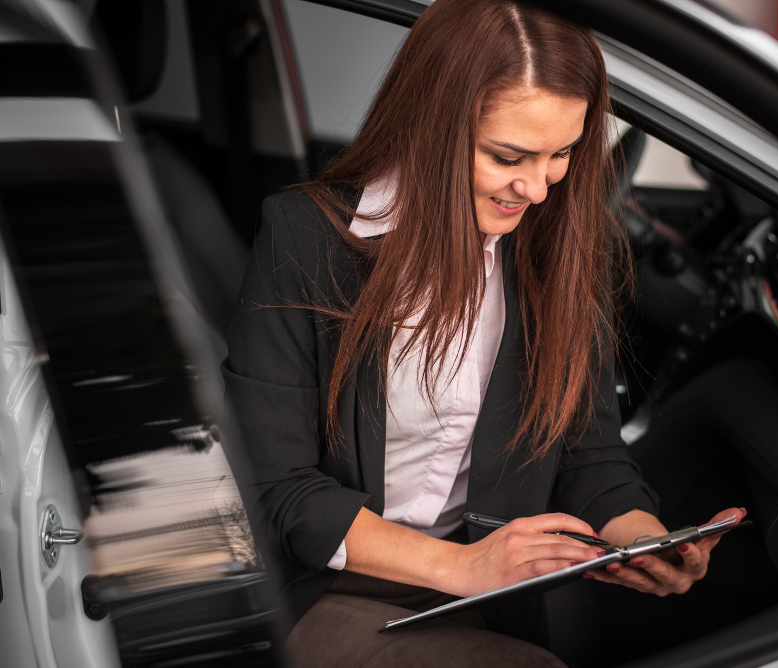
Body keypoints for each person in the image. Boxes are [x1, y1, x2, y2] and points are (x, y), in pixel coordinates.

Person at [223, 0, 742, 665]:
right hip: (324, 583)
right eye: (508, 156)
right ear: (432, 126)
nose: (537, 189)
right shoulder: (307, 238)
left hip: (490, 588)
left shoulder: (558, 250)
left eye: (562, 153)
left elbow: (585, 450)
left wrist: (640, 537)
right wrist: (464, 567)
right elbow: (276, 488)